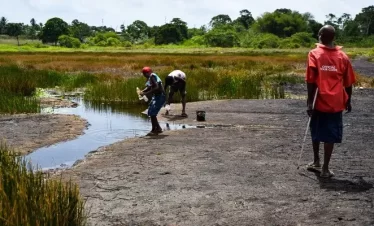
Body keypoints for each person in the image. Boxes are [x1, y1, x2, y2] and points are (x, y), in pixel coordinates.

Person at [305, 25, 356, 178]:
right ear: (333, 37)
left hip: (319, 100)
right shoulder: (343, 57)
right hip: (336, 102)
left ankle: (316, 161)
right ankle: (325, 168)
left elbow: (310, 80)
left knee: (316, 129)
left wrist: (309, 102)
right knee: (330, 134)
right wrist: (348, 100)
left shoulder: (314, 54)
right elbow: (348, 83)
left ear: (320, 35)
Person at [139, 67, 166, 135]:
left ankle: (154, 130)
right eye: (143, 74)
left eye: (145, 74)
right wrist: (142, 91)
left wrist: (146, 93)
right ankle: (158, 128)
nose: (144, 75)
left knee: (152, 113)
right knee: (150, 111)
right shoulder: (150, 78)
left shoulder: (152, 76)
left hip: (160, 96)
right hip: (156, 96)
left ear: (148, 72)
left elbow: (156, 87)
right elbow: (148, 87)